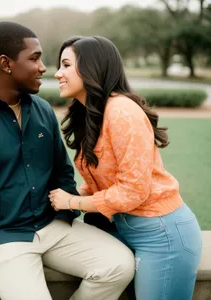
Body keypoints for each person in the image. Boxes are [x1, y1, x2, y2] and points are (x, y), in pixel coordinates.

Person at [0, 23, 135, 300]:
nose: (44, 67)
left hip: (53, 226)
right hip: (0, 238)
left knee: (120, 264)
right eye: (34, 58)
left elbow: (62, 172)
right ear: (6, 64)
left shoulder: (42, 110)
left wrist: (65, 215)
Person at [51, 35, 203, 300]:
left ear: (92, 67)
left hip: (162, 235)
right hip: (122, 229)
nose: (57, 73)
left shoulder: (122, 111)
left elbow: (133, 191)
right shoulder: (90, 113)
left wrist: (72, 202)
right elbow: (104, 180)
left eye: (65, 65)